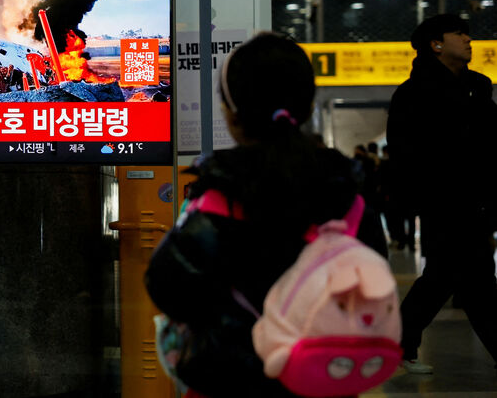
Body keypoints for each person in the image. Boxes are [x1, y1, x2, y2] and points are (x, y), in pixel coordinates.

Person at [144, 33, 381, 397]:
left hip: (232, 379)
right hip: (324, 378)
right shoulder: (347, 190)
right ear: (306, 105)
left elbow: (166, 284)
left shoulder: (219, 191)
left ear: (231, 114)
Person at [386, 13, 497, 374]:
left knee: (447, 277)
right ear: (435, 44)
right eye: (458, 33)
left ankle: (398, 343)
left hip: (477, 201)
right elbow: (404, 152)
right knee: (472, 279)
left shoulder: (479, 87)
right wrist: (421, 197)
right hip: (442, 202)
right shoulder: (413, 94)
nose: (469, 39)